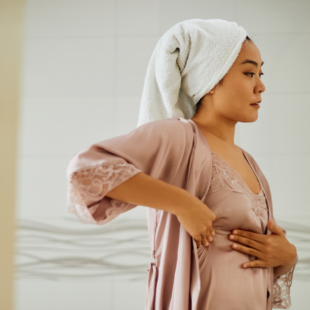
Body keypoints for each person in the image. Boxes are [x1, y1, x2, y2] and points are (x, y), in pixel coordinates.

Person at [66, 19, 298, 310]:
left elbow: (252, 259)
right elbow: (85, 171)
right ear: (211, 80)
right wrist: (181, 203)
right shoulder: (178, 136)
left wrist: (285, 257)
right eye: (249, 72)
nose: (261, 86)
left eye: (260, 74)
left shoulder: (250, 163)